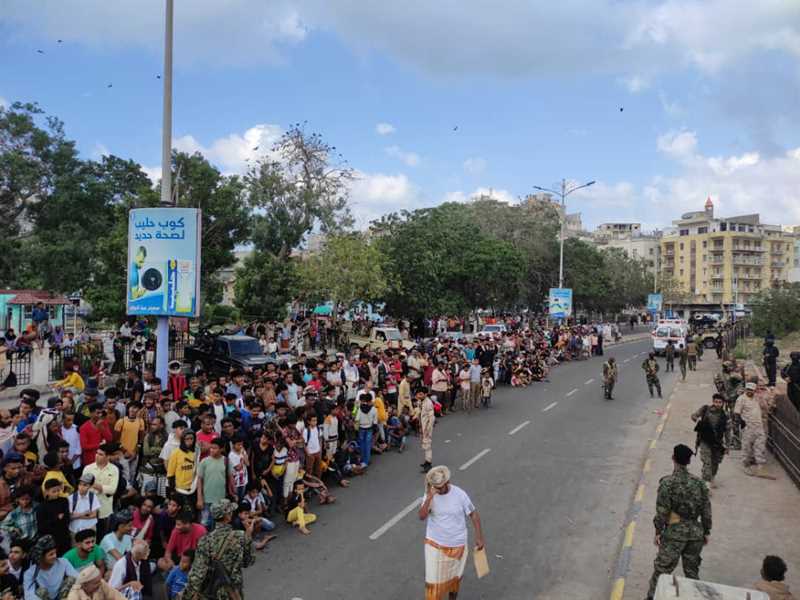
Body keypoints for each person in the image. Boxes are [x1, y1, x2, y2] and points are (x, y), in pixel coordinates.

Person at [646, 444, 711, 600]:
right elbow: (706, 511)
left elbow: (662, 512)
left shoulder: (667, 483)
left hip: (674, 534)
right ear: (689, 461)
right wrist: (706, 531)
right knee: (692, 573)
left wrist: (658, 532)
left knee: (661, 572)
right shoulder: (699, 483)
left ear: (673, 458)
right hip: (695, 534)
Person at [417, 466, 485, 600]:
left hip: (458, 545)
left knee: (454, 581)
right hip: (435, 545)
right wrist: (430, 498)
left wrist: (479, 537)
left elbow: (474, 514)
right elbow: (421, 516)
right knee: (433, 586)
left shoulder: (459, 494)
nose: (440, 489)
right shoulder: (430, 495)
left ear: (447, 482)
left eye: (442, 486)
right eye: (437, 487)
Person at [181, 499, 254, 600]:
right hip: (233, 593)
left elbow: (197, 574)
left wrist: (187, 595)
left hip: (212, 593)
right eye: (231, 512)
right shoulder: (240, 537)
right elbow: (247, 562)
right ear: (227, 516)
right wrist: (248, 535)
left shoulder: (205, 540)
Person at [23, 535, 79, 600]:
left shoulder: (63, 562)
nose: (55, 556)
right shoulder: (30, 573)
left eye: (55, 553)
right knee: (40, 591)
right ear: (41, 557)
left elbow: (77, 577)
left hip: (62, 596)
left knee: (72, 579)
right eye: (51, 554)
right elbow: (29, 595)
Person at [690, 393, 727, 488]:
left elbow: (728, 431)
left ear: (722, 403)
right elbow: (694, 415)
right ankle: (706, 484)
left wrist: (727, 445)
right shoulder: (705, 409)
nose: (718, 404)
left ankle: (712, 477)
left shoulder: (725, 415)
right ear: (713, 402)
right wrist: (698, 421)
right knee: (707, 462)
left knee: (715, 462)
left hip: (717, 443)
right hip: (705, 441)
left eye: (720, 402)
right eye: (716, 402)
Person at [82, 444, 120, 537]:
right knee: (88, 536)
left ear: (108, 457)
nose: (97, 456)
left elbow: (112, 490)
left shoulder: (114, 469)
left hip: (104, 508)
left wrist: (93, 484)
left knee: (101, 535)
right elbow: (82, 487)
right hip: (88, 508)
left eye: (101, 454)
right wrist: (102, 488)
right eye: (97, 453)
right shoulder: (88, 468)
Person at [735, 382, 770, 478]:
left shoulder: (756, 398)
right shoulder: (741, 399)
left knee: (760, 445)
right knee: (746, 446)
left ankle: (760, 467)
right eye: (749, 390)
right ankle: (746, 465)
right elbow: (737, 414)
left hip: (758, 426)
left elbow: (765, 407)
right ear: (746, 389)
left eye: (752, 390)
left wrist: (762, 394)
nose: (750, 392)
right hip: (748, 427)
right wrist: (739, 426)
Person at [36, 478, 72, 555]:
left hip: (64, 536)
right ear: (46, 491)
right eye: (54, 491)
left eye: (58, 490)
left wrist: (59, 519)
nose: (57, 493)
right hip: (51, 539)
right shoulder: (41, 506)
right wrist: (57, 519)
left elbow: (67, 518)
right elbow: (41, 526)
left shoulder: (64, 501)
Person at [419, 388, 435, 473]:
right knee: (425, 444)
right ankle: (426, 461)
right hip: (423, 426)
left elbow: (431, 418)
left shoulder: (428, 403)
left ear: (425, 394)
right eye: (419, 394)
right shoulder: (422, 402)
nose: (419, 396)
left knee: (427, 445)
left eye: (421, 394)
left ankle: (428, 463)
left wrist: (428, 429)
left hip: (427, 427)